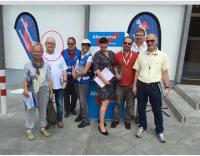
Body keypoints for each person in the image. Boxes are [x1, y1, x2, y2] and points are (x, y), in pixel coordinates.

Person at [132, 33, 170, 143]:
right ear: (146, 42)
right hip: (141, 85)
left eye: (152, 41)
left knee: (157, 110)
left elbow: (165, 72)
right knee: (141, 108)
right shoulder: (141, 55)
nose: (150, 43)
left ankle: (160, 131)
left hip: (154, 86)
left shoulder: (163, 56)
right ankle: (142, 127)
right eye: (148, 41)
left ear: (156, 41)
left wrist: (167, 86)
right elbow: (137, 71)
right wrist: (134, 85)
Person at [23, 43, 53, 141]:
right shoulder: (27, 64)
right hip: (31, 90)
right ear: (32, 52)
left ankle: (42, 128)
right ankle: (29, 130)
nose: (37, 53)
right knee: (30, 109)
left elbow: (49, 79)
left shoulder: (47, 65)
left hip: (43, 89)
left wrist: (51, 92)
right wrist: (26, 90)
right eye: (35, 51)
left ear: (42, 52)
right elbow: (25, 79)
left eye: (39, 51)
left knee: (43, 109)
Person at [111, 36, 138, 129]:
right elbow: (114, 66)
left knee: (129, 105)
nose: (127, 45)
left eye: (129, 43)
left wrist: (135, 84)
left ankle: (127, 120)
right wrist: (116, 73)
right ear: (122, 44)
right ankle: (116, 120)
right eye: (125, 43)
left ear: (131, 45)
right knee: (118, 104)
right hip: (119, 85)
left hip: (130, 86)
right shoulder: (117, 55)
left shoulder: (136, 55)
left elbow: (137, 71)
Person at [43, 37, 67, 128]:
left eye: (52, 43)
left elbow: (64, 70)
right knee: (47, 105)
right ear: (45, 44)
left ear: (55, 45)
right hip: (46, 86)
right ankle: (48, 121)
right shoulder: (41, 56)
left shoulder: (59, 56)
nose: (50, 45)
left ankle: (59, 120)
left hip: (59, 86)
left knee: (60, 104)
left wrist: (65, 81)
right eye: (49, 43)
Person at [93, 37, 116, 136]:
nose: (103, 45)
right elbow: (96, 69)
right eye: (101, 44)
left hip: (111, 82)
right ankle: (101, 124)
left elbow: (115, 66)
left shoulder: (111, 53)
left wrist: (117, 74)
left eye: (105, 43)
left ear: (107, 44)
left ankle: (100, 119)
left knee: (106, 101)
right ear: (99, 45)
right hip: (102, 82)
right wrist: (104, 80)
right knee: (105, 102)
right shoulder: (97, 55)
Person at [72, 39, 93, 128]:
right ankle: (81, 115)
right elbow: (73, 65)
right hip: (77, 80)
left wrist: (76, 75)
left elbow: (85, 71)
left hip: (84, 81)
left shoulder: (89, 56)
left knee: (83, 101)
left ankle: (86, 120)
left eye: (87, 45)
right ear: (81, 46)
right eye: (84, 45)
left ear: (89, 47)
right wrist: (73, 73)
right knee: (80, 99)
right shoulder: (78, 54)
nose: (85, 47)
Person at [131, 28, 148, 123]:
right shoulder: (131, 46)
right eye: (137, 35)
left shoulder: (147, 47)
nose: (139, 37)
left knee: (141, 99)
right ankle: (130, 114)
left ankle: (138, 116)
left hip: (142, 76)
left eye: (141, 35)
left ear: (144, 36)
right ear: (135, 36)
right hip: (131, 74)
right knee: (131, 97)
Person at [62, 37, 81, 118]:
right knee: (65, 94)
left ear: (75, 44)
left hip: (75, 77)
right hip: (66, 77)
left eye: (71, 43)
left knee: (74, 95)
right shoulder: (63, 52)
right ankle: (67, 110)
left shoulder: (79, 52)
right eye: (68, 43)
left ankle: (72, 109)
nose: (70, 45)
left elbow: (81, 64)